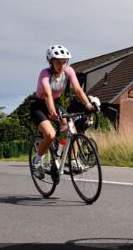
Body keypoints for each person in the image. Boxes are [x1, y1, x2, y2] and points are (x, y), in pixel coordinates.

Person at [30, 45, 99, 179]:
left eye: (64, 62)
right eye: (57, 62)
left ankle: (72, 161)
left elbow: (78, 89)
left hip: (55, 104)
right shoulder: (45, 74)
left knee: (71, 129)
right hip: (39, 105)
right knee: (49, 135)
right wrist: (52, 112)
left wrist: (88, 104)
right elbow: (48, 94)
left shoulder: (69, 71)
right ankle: (36, 161)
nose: (61, 65)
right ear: (50, 62)